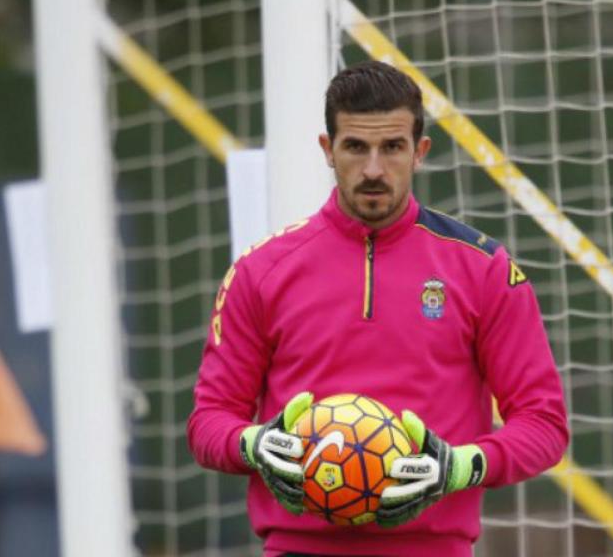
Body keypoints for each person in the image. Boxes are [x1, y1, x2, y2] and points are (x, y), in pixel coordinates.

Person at [187, 60, 568, 557]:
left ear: (420, 152)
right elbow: (209, 420)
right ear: (328, 150)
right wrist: (253, 446)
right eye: (355, 147)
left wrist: (459, 466)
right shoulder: (261, 270)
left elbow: (544, 423)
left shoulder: (483, 268)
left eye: (392, 147)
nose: (372, 169)